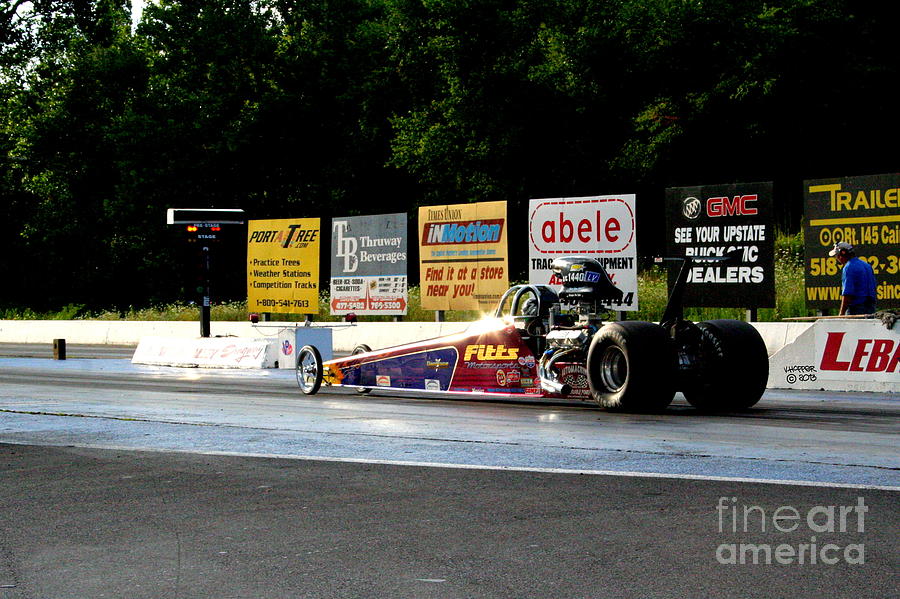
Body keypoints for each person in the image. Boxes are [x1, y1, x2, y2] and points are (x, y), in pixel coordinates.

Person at [829, 242, 876, 315]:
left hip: (856, 309)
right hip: (871, 308)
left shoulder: (848, 267)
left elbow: (847, 294)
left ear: (842, 254)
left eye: (837, 256)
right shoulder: (867, 266)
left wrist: (841, 313)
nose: (837, 259)